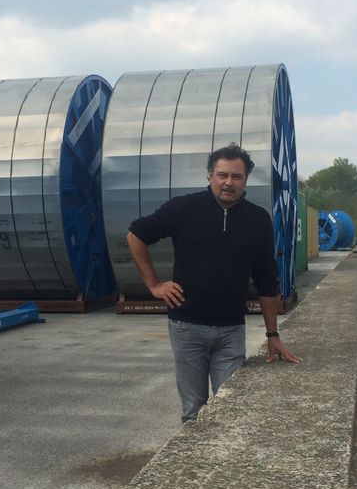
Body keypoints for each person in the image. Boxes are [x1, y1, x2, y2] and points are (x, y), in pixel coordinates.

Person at [126, 143, 301, 422]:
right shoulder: (183, 208)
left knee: (230, 408)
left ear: (246, 180)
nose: (228, 183)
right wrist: (154, 284)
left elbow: (267, 280)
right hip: (187, 327)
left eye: (236, 176)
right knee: (193, 410)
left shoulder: (257, 219)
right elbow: (136, 235)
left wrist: (272, 335)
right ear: (210, 175)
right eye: (222, 175)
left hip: (231, 330)